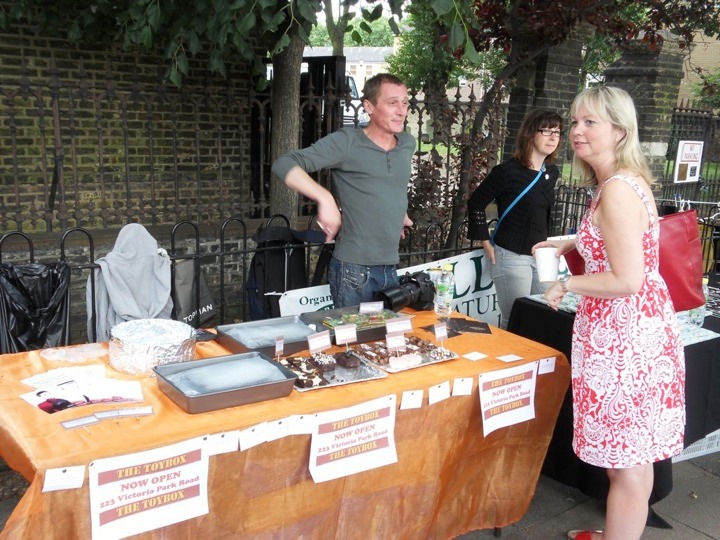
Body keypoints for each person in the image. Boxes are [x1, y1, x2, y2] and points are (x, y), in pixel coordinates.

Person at [534, 86, 685, 540]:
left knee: (626, 466)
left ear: (620, 131)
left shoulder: (616, 190)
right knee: (634, 457)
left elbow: (626, 279)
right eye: (575, 121)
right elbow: (622, 244)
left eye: (590, 123)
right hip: (639, 333)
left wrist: (566, 282)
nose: (577, 131)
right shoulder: (624, 180)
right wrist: (571, 242)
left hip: (624, 340)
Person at [271, 73, 415, 308]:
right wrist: (324, 197)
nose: (402, 111)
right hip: (354, 273)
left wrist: (401, 213)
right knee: (350, 344)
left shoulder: (407, 143)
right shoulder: (347, 143)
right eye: (392, 103)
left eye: (405, 102)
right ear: (369, 106)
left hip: (390, 267)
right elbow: (284, 164)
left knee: (383, 344)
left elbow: (395, 184)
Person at [467, 109, 564, 329]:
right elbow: (476, 203)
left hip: (544, 255)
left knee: (547, 313)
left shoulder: (552, 172)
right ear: (530, 134)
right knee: (518, 319)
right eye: (546, 131)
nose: (553, 138)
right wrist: (484, 240)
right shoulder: (507, 172)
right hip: (512, 255)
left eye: (557, 132)